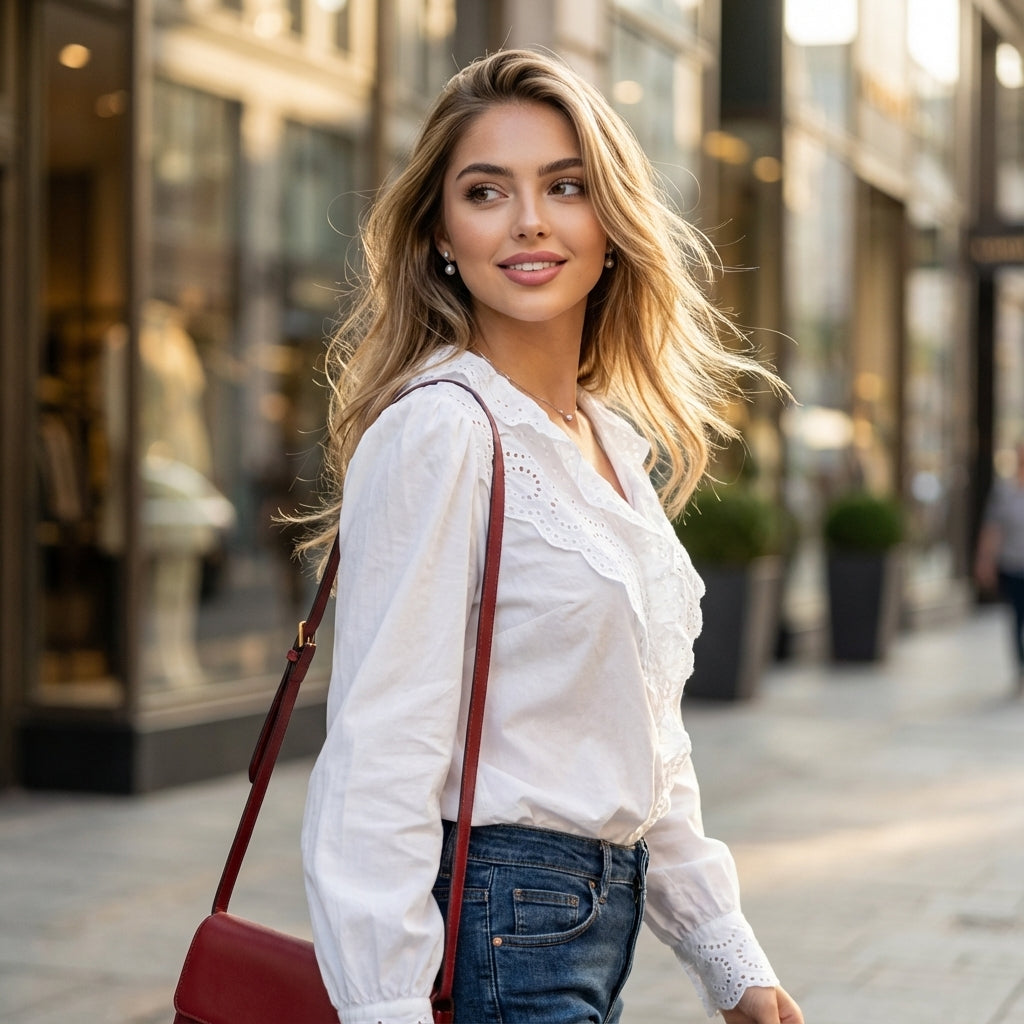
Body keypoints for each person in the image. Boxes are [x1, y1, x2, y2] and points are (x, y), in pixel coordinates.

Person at [298, 48, 803, 1024]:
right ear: (442, 233)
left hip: (586, 922)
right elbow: (379, 748)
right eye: (485, 190)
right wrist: (385, 1005)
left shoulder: (604, 445)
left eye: (564, 186)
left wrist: (728, 958)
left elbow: (643, 742)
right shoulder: (443, 429)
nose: (528, 218)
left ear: (609, 223)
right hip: (495, 927)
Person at [974, 441, 1024, 693]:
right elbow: (992, 529)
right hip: (1013, 565)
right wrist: (985, 561)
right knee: (1017, 618)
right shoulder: (1004, 491)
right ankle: (1021, 670)